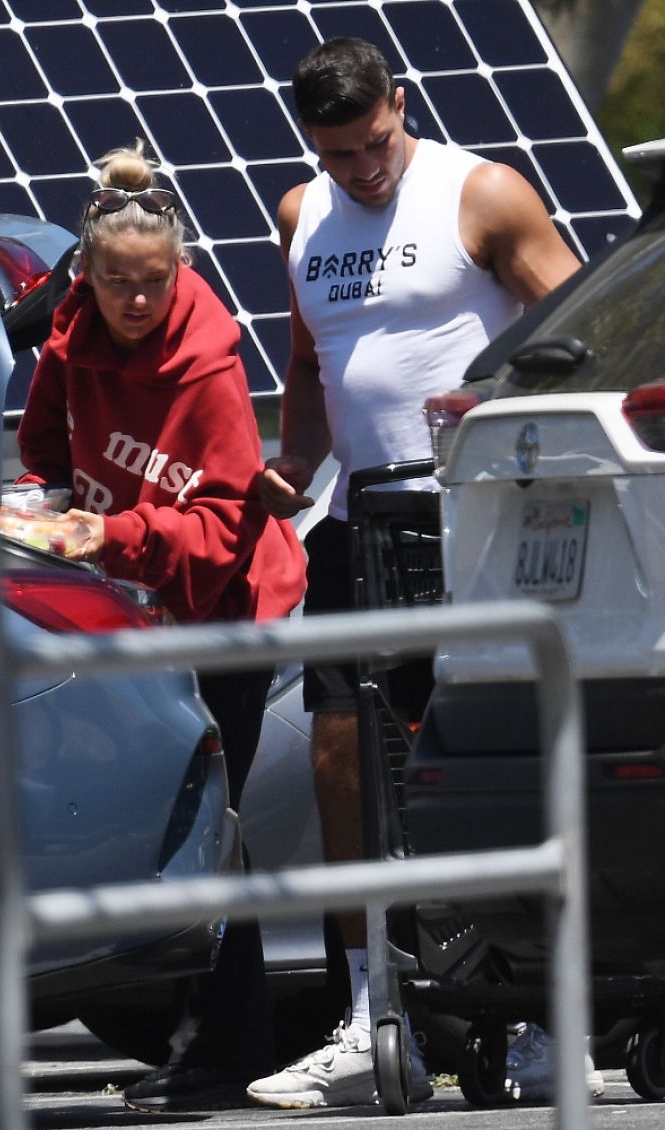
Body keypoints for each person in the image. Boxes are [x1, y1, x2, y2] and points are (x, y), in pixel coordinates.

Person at [250, 36, 594, 1110]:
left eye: (374, 143)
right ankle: (364, 1011)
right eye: (337, 153)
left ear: (402, 104)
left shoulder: (479, 192)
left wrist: (486, 397)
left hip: (477, 518)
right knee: (341, 758)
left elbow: (579, 333)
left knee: (490, 757)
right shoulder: (300, 214)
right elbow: (309, 362)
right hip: (361, 520)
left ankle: (543, 1012)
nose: (361, 169)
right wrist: (294, 459)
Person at [15, 139, 306, 1112]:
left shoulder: (209, 365)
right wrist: (50, 506)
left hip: (223, 608)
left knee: (207, 826)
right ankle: (191, 1032)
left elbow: (220, 531)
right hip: (135, 603)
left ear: (177, 270)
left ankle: (232, 1047)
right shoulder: (74, 335)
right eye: (114, 282)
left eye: (151, 282)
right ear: (87, 278)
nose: (135, 300)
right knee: (160, 819)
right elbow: (43, 443)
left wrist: (111, 529)